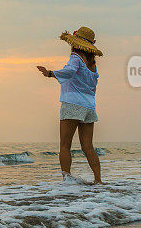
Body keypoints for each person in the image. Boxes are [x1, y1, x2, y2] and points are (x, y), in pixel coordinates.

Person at [37, 26, 103, 184]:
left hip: (73, 104)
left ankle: (66, 179)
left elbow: (69, 71)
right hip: (89, 107)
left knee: (65, 145)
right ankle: (98, 181)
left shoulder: (76, 57)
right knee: (88, 147)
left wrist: (50, 73)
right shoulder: (92, 65)